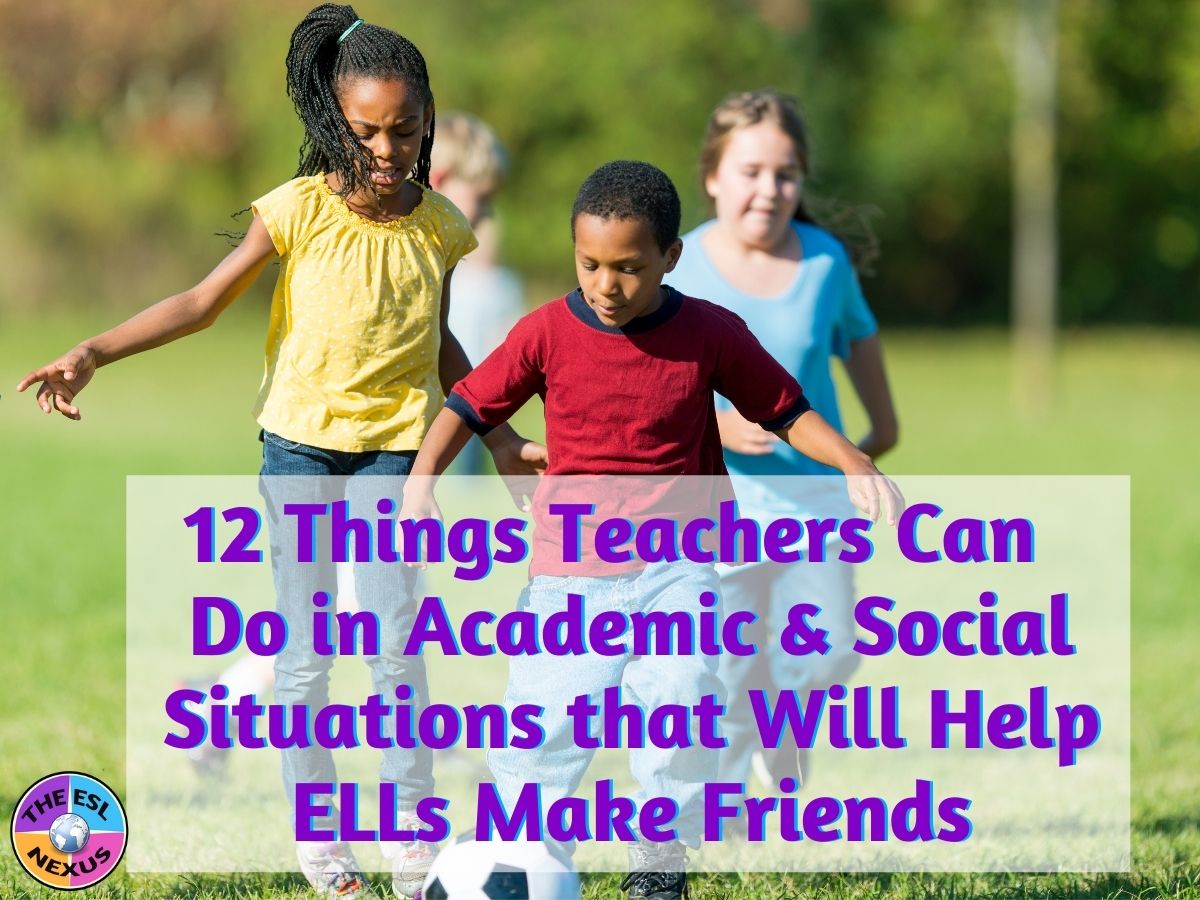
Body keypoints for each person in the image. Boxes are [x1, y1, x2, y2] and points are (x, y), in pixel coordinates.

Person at [16, 5, 544, 898]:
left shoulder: (443, 227)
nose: (386, 150)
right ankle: (324, 847)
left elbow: (440, 344)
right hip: (298, 454)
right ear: (333, 123)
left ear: (427, 127)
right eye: (366, 131)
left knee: (396, 653)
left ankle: (415, 846)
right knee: (304, 658)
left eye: (405, 133)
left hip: (394, 456)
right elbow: (202, 300)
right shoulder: (297, 209)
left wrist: (498, 437)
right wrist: (94, 350)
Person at [401, 160, 902, 900]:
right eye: (591, 264)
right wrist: (420, 481)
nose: (607, 284)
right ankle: (520, 857)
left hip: (681, 570)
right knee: (543, 728)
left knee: (678, 712)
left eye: (630, 268)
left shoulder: (710, 334)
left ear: (670, 258)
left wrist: (855, 461)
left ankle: (658, 867)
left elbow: (784, 410)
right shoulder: (544, 333)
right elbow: (469, 406)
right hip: (569, 575)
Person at [667, 89, 899, 810]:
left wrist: (882, 426)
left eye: (786, 173)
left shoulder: (825, 260)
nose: (769, 190)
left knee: (828, 646)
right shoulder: (679, 268)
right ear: (712, 175)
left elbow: (858, 335)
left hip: (814, 496)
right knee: (729, 664)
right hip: (719, 500)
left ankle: (783, 735)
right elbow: (652, 381)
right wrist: (717, 425)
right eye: (750, 171)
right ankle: (729, 803)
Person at [429, 112, 525, 474]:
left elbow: (440, 342)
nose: (486, 213)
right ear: (441, 180)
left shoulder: (445, 257)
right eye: (481, 198)